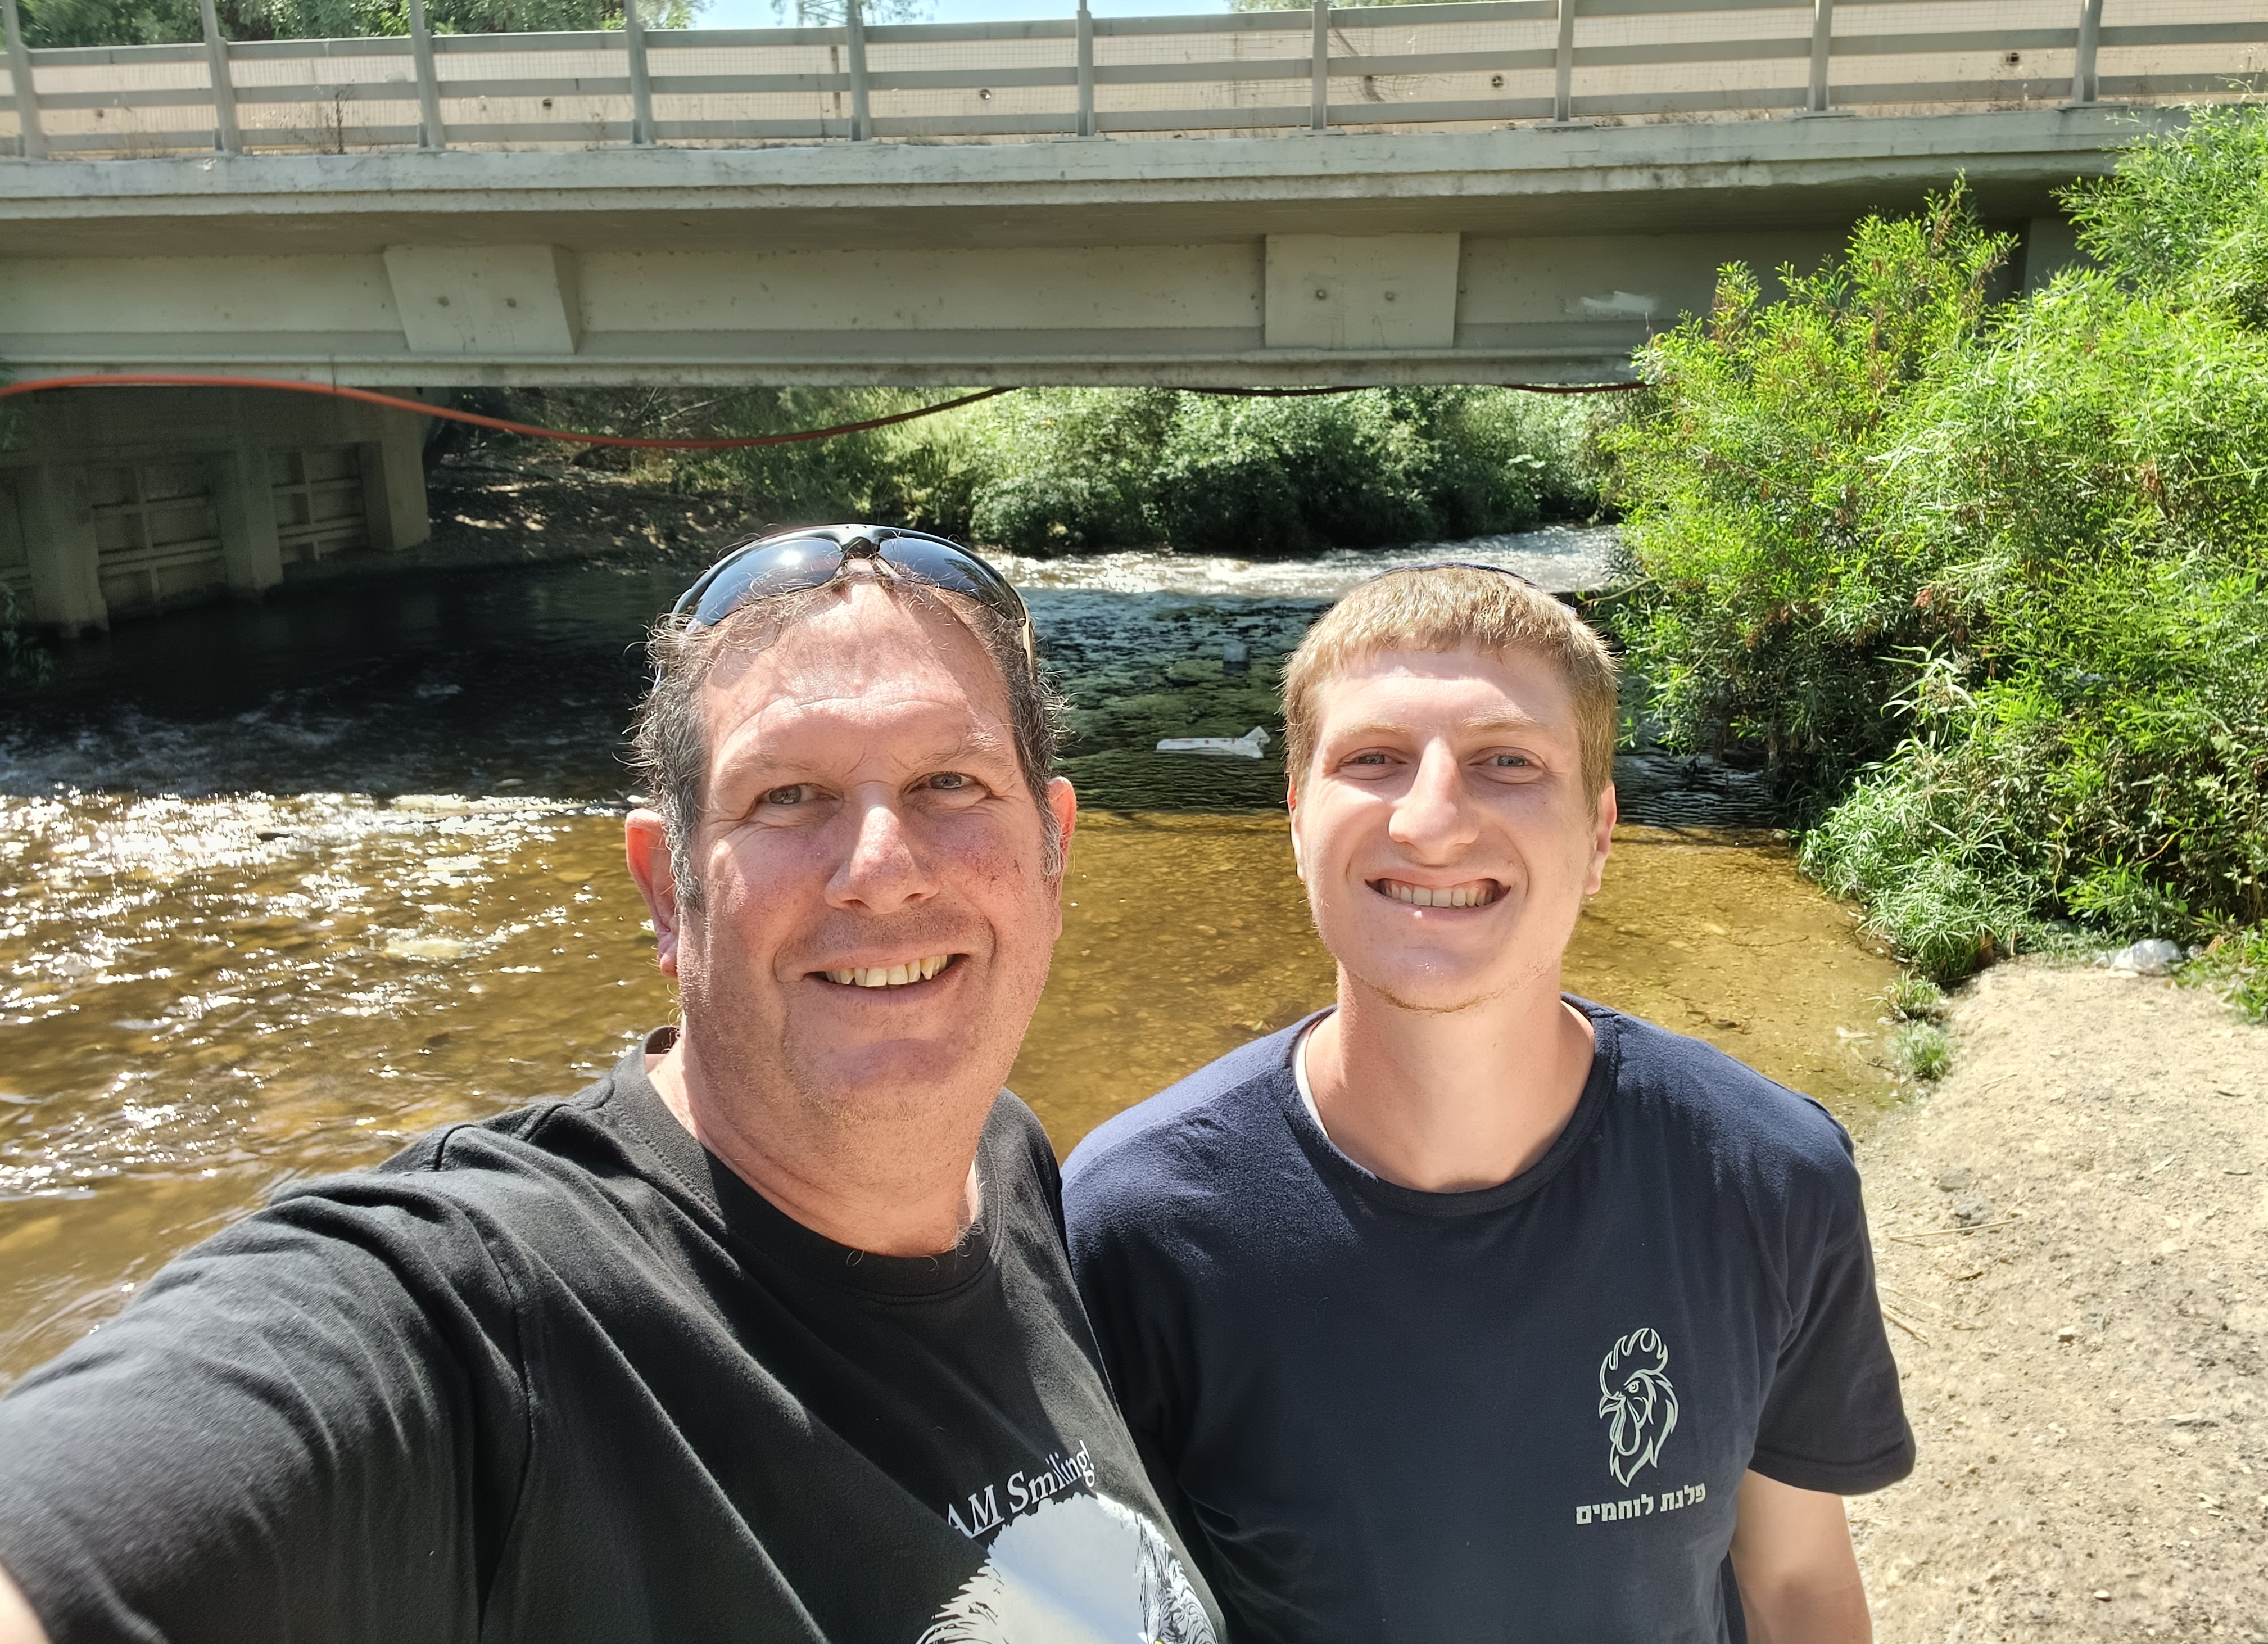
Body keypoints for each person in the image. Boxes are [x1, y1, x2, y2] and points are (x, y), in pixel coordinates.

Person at [0, 526, 1221, 1644]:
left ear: (1052, 854)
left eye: (951, 783)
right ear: (665, 890)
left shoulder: (1008, 1162)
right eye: (786, 796)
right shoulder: (487, 1315)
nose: (881, 867)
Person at [1062, 563, 1913, 1644]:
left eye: (1506, 762)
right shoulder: (1131, 1223)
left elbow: (1795, 1584)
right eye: (1372, 759)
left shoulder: (1768, 1174)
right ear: (1297, 819)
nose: (1431, 822)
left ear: (1599, 834)